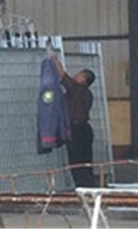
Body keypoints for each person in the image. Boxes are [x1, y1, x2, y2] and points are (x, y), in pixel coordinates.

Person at [51, 54, 96, 188]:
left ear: (84, 79)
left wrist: (53, 58)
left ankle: (82, 188)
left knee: (76, 163)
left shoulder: (77, 89)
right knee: (86, 162)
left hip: (76, 130)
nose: (75, 75)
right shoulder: (87, 93)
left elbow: (62, 75)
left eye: (79, 74)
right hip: (85, 129)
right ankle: (89, 188)